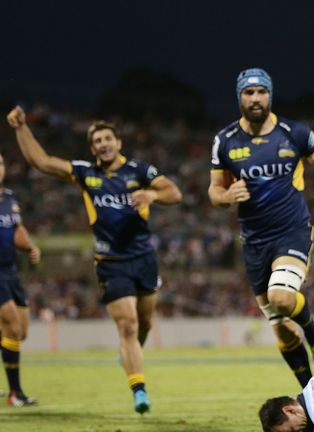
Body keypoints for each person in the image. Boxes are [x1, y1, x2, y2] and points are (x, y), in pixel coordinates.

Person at [7, 107, 183, 414]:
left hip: (144, 259)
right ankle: (139, 390)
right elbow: (42, 161)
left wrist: (152, 196)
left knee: (144, 324)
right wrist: (22, 127)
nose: (103, 144)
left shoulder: (140, 171)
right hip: (110, 262)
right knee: (127, 326)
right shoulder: (87, 174)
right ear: (93, 148)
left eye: (107, 138)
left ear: (118, 143)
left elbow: (174, 192)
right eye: (97, 140)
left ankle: (129, 354)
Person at [208, 68, 314, 387]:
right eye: (248, 92)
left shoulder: (294, 133)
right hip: (254, 242)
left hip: (291, 232)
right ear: (239, 97)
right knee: (280, 327)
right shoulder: (224, 141)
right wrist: (226, 196)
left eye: (261, 91)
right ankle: (313, 394)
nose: (255, 98)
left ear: (270, 95)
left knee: (282, 299)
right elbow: (214, 191)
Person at [0, 153, 41, 407]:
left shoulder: (10, 198)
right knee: (12, 327)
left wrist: (30, 247)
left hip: (11, 271)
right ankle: (15, 393)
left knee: (20, 332)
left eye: (1, 163)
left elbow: (17, 228)